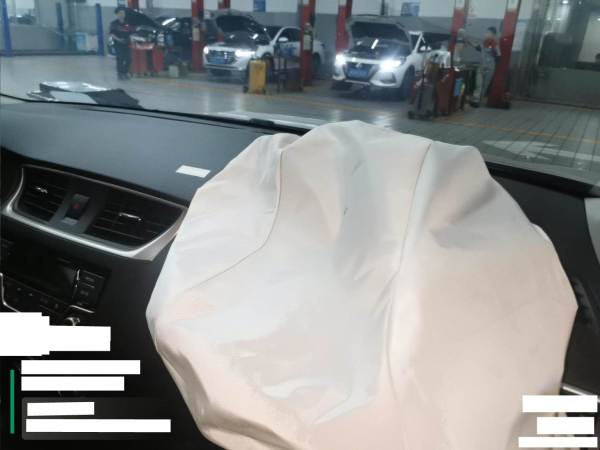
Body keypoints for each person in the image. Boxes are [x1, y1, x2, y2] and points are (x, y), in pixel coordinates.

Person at [469, 26, 499, 107]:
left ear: (493, 35)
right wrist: (469, 42)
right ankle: (476, 100)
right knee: (478, 84)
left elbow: (498, 56)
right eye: (486, 33)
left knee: (485, 85)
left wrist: (492, 52)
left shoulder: (495, 45)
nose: (486, 34)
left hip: (490, 68)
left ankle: (478, 101)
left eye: (488, 33)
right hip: (481, 66)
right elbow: (478, 47)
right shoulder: (483, 43)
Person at [109, 7, 132, 80]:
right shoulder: (114, 23)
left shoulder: (128, 23)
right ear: (117, 14)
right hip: (118, 44)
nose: (122, 15)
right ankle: (120, 74)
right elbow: (112, 34)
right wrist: (119, 39)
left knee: (129, 59)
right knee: (120, 59)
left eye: (123, 13)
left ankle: (125, 72)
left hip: (127, 43)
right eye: (120, 13)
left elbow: (131, 32)